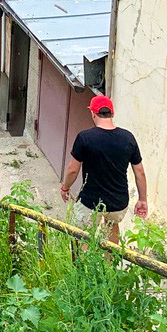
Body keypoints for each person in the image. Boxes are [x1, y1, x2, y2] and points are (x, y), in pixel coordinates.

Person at [60, 94, 146, 244]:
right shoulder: (128, 138)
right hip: (118, 202)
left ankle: (82, 266)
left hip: (91, 201)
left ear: (93, 114)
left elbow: (72, 170)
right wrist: (142, 199)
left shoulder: (85, 137)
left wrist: (65, 187)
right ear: (112, 114)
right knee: (112, 226)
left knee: (82, 236)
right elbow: (140, 172)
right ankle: (109, 263)